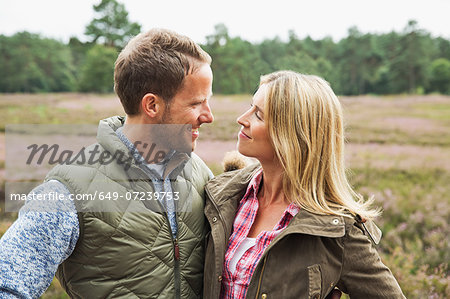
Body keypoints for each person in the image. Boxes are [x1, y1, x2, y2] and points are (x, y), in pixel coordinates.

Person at [0, 28, 214, 298]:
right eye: (197, 103)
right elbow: (6, 283)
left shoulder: (201, 175)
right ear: (152, 105)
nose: (209, 116)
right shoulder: (67, 191)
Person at [203, 71, 406, 298]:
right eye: (250, 107)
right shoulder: (223, 194)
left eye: (258, 115)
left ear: (292, 134)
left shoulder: (336, 232)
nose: (242, 118)